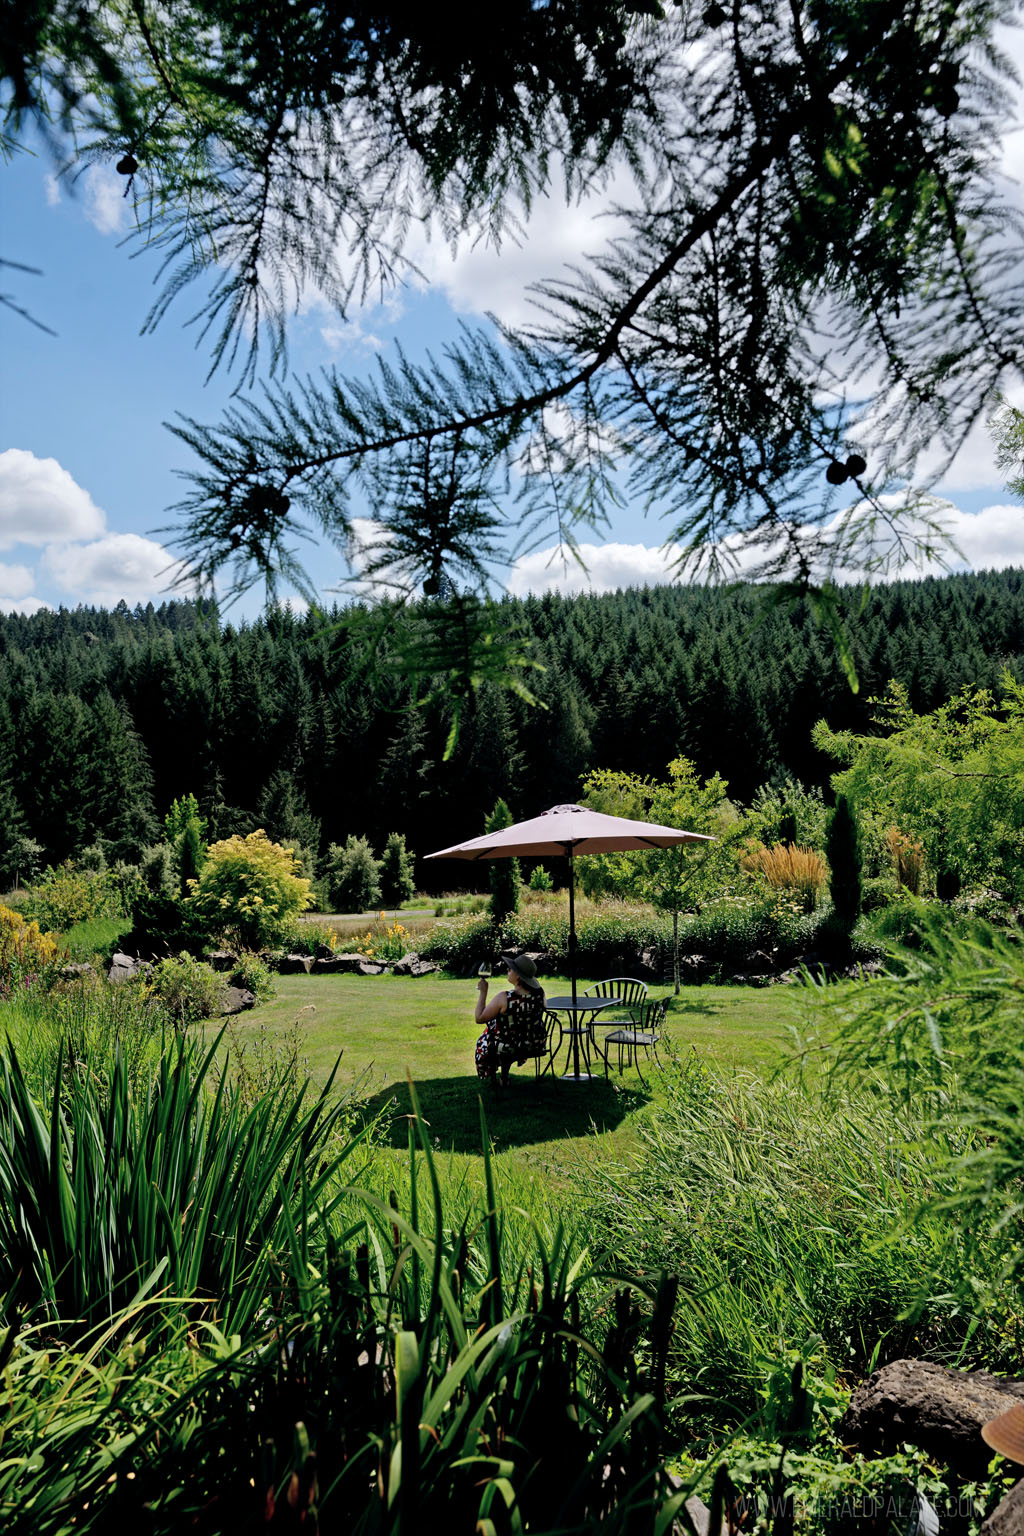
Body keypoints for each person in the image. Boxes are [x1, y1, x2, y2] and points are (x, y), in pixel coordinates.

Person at [474, 952, 546, 1087]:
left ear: (518, 975)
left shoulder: (504, 998)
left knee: (487, 1036)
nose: (508, 970)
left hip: (509, 1046)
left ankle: (489, 1072)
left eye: (511, 969)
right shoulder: (540, 995)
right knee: (508, 1032)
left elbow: (479, 1018)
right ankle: (504, 1076)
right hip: (535, 1043)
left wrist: (483, 992)